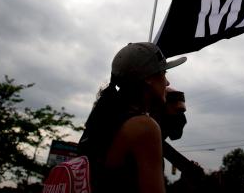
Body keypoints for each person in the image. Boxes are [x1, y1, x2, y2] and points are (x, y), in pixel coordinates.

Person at [79, 42, 186, 193]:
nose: (167, 82)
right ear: (148, 79)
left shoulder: (105, 119)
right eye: (164, 74)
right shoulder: (144, 127)